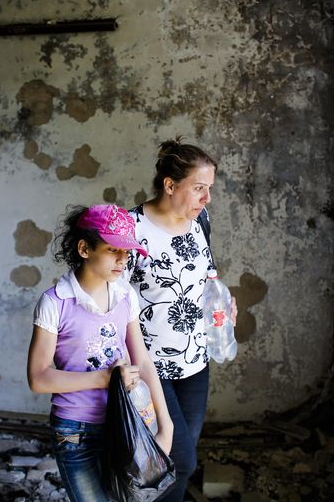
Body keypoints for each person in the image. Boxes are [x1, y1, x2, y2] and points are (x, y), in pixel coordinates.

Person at [27, 204, 174, 502]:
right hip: (75, 430)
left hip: (125, 420)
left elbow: (142, 360)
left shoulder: (125, 296)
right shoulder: (55, 303)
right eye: (112, 250)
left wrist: (166, 423)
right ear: (84, 248)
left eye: (127, 252)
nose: (123, 260)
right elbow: (39, 379)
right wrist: (104, 378)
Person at [125, 138, 237, 502]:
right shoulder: (130, 229)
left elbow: (207, 278)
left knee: (172, 464)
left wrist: (225, 302)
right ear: (170, 185)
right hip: (149, 367)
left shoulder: (199, 219)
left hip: (195, 363)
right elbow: (112, 301)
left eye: (210, 189)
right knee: (180, 461)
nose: (207, 199)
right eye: (199, 189)